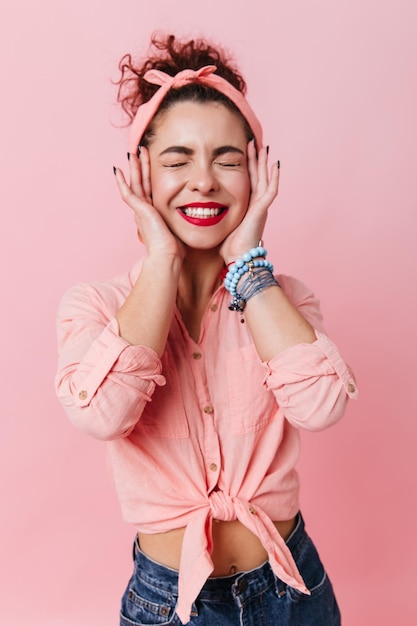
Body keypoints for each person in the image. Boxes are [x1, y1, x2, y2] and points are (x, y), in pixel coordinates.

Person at [55, 33, 358, 626]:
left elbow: (322, 407)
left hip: (291, 591)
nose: (204, 181)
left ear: (255, 171)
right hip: (171, 603)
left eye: (226, 159)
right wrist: (162, 259)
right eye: (177, 160)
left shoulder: (285, 300)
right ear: (140, 174)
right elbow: (103, 414)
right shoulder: (94, 307)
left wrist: (248, 262)